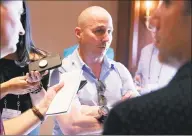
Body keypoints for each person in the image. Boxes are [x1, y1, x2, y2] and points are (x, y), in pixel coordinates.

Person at [103, 0, 191, 134]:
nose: (152, 21)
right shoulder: (145, 51)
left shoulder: (130, 119)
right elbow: (138, 77)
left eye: (167, 3)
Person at [49, 6, 139, 135]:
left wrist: (86, 111)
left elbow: (136, 117)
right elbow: (72, 127)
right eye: (99, 31)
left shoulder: (120, 70)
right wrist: (117, 112)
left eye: (110, 31)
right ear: (79, 33)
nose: (107, 38)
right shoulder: (61, 71)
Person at [0, 1, 64, 135]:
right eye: (16, 13)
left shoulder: (40, 60)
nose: (21, 30)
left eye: (20, 16)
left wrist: (36, 88)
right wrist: (8, 87)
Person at [134, 31, 177, 95]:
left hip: (166, 98)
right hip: (145, 98)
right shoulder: (145, 51)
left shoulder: (176, 52)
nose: (155, 34)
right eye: (153, 31)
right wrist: (137, 79)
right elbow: (139, 74)